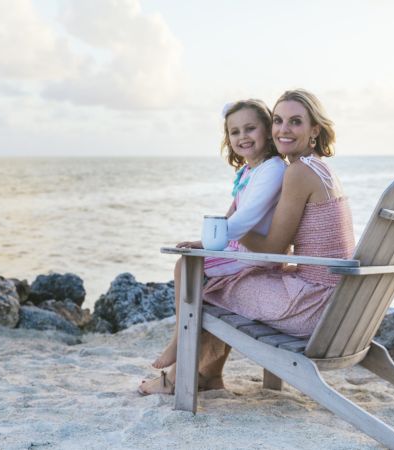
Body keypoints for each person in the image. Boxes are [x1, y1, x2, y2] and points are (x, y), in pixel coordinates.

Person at [139, 89, 354, 395]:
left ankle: (178, 377)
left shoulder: (298, 172)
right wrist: (230, 230)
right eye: (278, 120)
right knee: (220, 280)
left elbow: (272, 249)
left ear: (314, 129)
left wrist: (231, 230)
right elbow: (284, 244)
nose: (283, 129)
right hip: (336, 298)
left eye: (295, 122)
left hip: (314, 306)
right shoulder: (318, 168)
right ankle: (209, 375)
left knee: (204, 288)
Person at [151, 99, 287, 370]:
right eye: (235, 132)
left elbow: (245, 219)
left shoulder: (273, 168)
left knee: (185, 267)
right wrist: (205, 243)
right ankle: (203, 365)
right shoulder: (250, 170)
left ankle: (180, 340)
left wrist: (209, 245)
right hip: (240, 251)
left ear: (267, 130)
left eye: (250, 128)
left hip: (255, 254)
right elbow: (231, 215)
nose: (242, 137)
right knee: (190, 263)